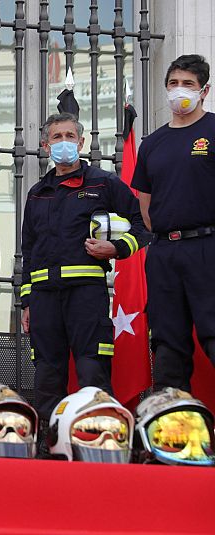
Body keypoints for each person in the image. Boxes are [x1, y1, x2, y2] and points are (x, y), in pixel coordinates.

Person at [20, 112, 151, 430]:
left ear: (81, 141)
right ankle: (49, 442)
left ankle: (98, 435)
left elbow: (143, 223)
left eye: (69, 136)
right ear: (45, 145)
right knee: (48, 373)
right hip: (44, 298)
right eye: (56, 137)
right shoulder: (37, 192)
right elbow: (29, 251)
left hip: (86, 296)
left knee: (92, 367)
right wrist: (26, 303)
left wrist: (117, 249)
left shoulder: (103, 183)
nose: (63, 142)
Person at [132, 54, 215, 392]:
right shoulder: (152, 144)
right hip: (164, 252)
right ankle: (173, 424)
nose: (179, 91)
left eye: (188, 84)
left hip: (207, 248)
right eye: (174, 84)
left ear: (204, 91)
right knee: (167, 341)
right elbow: (146, 207)